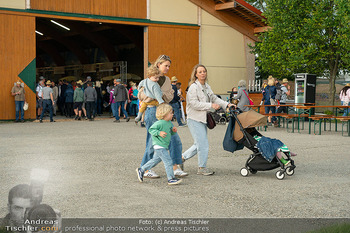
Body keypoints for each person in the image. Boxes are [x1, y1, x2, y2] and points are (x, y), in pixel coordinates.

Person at [140, 55, 187, 179]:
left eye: (169, 66)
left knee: (174, 138)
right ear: (158, 64)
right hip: (152, 111)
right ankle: (145, 169)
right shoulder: (149, 78)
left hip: (164, 111)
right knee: (152, 141)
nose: (167, 68)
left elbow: (170, 97)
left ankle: (175, 166)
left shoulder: (166, 80)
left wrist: (158, 95)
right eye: (165, 65)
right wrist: (152, 96)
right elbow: (140, 94)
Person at [182, 64, 233, 175]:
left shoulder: (206, 86)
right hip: (194, 119)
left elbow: (214, 98)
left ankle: (180, 159)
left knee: (199, 144)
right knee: (203, 144)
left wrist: (227, 104)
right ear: (195, 74)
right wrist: (210, 105)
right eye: (200, 72)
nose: (203, 73)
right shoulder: (193, 87)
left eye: (204, 71)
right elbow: (194, 104)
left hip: (202, 119)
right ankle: (202, 168)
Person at [136, 104, 183, 185]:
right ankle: (171, 178)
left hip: (163, 145)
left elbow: (168, 132)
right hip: (159, 146)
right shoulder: (159, 123)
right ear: (164, 114)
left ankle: (142, 169)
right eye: (171, 113)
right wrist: (159, 133)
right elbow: (151, 129)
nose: (173, 114)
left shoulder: (168, 123)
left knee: (155, 160)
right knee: (168, 161)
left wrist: (173, 131)